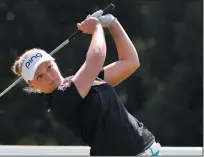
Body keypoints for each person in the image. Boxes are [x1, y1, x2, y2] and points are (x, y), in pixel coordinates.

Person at [12, 13, 161, 156]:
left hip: (146, 147)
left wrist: (111, 22)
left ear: (55, 63)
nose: (49, 76)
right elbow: (96, 57)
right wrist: (96, 28)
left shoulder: (81, 80)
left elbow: (130, 62)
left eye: (49, 67)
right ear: (33, 86)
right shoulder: (59, 100)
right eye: (39, 76)